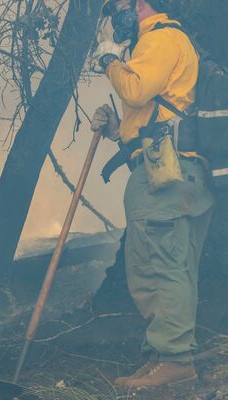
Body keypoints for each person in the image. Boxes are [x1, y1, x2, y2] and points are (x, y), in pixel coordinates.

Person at [90, 0, 215, 388]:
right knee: (160, 269)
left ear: (141, 4)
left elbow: (137, 89)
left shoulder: (160, 39)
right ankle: (164, 357)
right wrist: (117, 130)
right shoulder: (164, 41)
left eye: (119, 6)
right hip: (168, 171)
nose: (114, 16)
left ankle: (175, 361)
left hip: (166, 179)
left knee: (162, 268)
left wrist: (109, 59)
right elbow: (154, 117)